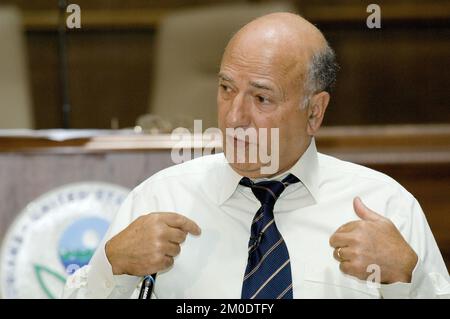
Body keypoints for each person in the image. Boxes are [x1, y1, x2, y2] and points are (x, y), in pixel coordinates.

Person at [63, 12, 449, 299]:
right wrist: (111, 267)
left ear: (314, 112)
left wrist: (408, 280)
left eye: (261, 98)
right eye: (227, 89)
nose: (234, 117)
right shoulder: (160, 199)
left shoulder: (386, 207)